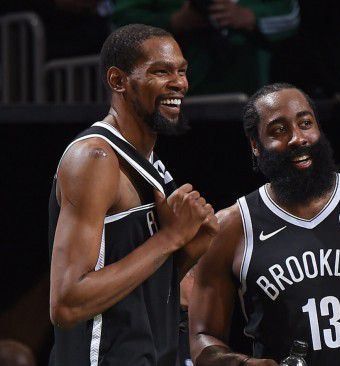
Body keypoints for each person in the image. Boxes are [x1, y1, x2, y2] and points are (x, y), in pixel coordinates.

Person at [189, 83, 340, 365]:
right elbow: (202, 338)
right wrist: (242, 364)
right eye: (279, 130)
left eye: (305, 123)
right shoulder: (232, 227)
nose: (298, 138)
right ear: (255, 146)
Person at [48, 24, 218, 365]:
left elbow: (140, 290)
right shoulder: (95, 159)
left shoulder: (150, 163)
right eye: (161, 71)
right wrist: (170, 238)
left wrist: (185, 254)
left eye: (182, 71)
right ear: (118, 81)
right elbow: (67, 304)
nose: (179, 83)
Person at [112, 0, 299, 95]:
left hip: (255, 87)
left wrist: (251, 17)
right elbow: (121, 20)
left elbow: (290, 13)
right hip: (179, 92)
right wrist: (173, 21)